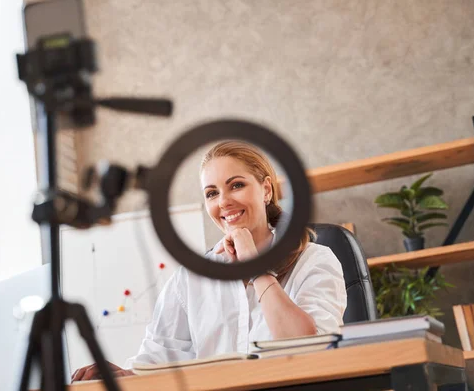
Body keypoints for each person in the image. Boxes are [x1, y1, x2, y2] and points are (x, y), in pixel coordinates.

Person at [72, 141, 347, 381]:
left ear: (265, 190)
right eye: (212, 193)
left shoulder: (315, 260)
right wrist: (123, 374)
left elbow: (309, 350)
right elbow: (159, 360)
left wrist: (255, 267)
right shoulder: (190, 278)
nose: (224, 202)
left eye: (236, 185)